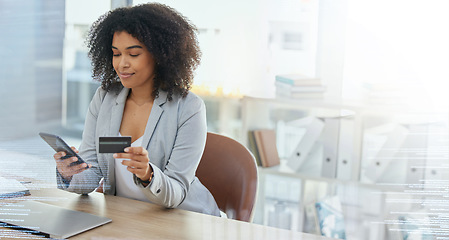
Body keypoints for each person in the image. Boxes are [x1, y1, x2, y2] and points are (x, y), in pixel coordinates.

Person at [53, 3, 220, 217]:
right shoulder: (104, 99)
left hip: (186, 219)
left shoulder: (188, 108)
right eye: (116, 54)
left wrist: (148, 174)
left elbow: (177, 192)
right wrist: (69, 173)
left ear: (160, 55)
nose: (122, 64)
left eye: (133, 54)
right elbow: (91, 176)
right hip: (128, 218)